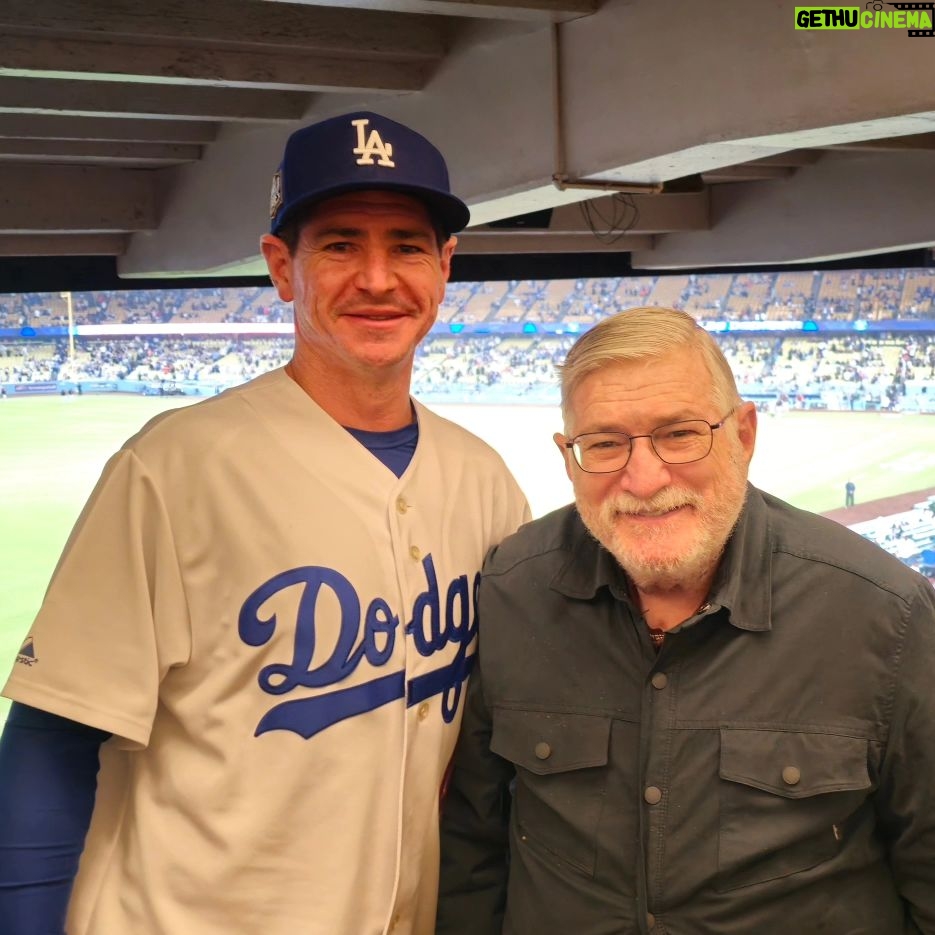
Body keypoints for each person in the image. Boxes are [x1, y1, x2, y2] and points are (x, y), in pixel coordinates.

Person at [0, 111, 530, 935]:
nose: (379, 278)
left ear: (444, 266)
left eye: (408, 245)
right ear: (283, 268)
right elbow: (54, 734)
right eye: (341, 244)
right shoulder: (173, 468)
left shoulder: (484, 481)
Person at [436, 306, 935, 934]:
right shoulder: (515, 589)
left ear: (744, 435)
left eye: (679, 434)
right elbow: (473, 852)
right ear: (569, 457)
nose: (643, 479)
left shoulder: (885, 616)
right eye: (606, 443)